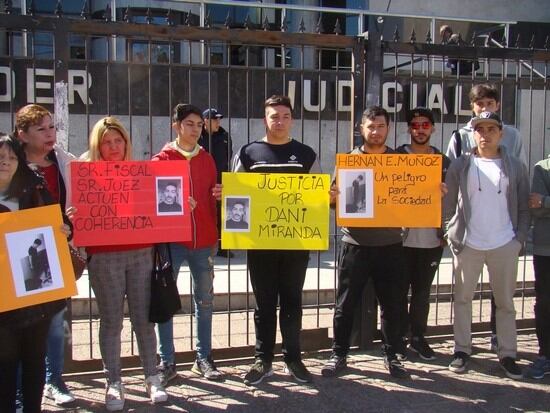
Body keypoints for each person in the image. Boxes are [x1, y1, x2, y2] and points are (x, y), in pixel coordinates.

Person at [232, 95, 320, 385]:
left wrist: (326, 199)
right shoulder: (248, 152)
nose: (279, 121)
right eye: (274, 116)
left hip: (296, 243)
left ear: (292, 119)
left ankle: (293, 358)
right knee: (265, 303)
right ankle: (263, 359)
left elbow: (316, 200)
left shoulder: (306, 154)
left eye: (284, 116)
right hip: (261, 245)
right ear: (265, 120)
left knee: (293, 301)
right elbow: (236, 198)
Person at [82, 117, 168, 410]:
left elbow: (161, 205)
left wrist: (181, 206)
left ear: (126, 143)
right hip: (105, 257)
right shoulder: (86, 174)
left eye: (119, 140)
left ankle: (151, 377)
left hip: (141, 252)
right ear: (98, 145)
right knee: (111, 321)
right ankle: (113, 382)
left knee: (144, 320)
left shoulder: (140, 172)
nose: (113, 146)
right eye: (107, 141)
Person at [321, 106, 409, 379]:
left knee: (392, 304)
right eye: (370, 126)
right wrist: (331, 196)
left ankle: (393, 355)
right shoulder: (348, 160)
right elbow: (335, 203)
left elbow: (411, 197)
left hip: (390, 244)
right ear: (361, 129)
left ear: (388, 128)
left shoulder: (400, 161)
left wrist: (432, 192)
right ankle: (339, 354)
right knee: (345, 304)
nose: (375, 131)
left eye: (380, 126)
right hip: (355, 242)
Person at [443, 111, 529, 380]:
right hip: (470, 242)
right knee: (462, 299)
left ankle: (508, 353)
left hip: (505, 242)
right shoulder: (461, 164)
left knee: (505, 302)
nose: (486, 134)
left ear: (501, 134)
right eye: (480, 129)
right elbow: (447, 202)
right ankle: (462, 350)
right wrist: (451, 231)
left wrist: (519, 239)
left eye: (492, 129)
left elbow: (524, 206)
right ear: (474, 133)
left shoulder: (515, 165)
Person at [0, 133, 70, 413]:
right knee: (5, 363)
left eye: (12, 157)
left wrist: (66, 230)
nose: (5, 162)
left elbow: (60, 222)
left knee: (33, 360)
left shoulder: (35, 188)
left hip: (35, 294)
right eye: (0, 157)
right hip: (3, 298)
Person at [153, 103, 222, 385]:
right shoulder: (161, 160)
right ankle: (167, 360)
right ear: (177, 126)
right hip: (172, 242)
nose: (195, 130)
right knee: (166, 302)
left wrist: (219, 194)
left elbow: (213, 197)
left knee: (205, 301)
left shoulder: (207, 159)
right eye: (190, 124)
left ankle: (203, 358)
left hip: (204, 240)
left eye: (199, 125)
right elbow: (154, 203)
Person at [14, 104, 76, 405]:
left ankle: (54, 380)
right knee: (18, 325)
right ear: (22, 134)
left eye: (51, 126)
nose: (50, 133)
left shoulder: (65, 162)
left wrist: (70, 224)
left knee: (55, 319)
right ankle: (16, 388)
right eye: (41, 129)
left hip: (57, 253)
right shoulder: (11, 164)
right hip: (17, 259)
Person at [396, 107, 451, 360]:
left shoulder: (443, 162)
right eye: (415, 125)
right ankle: (396, 340)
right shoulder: (395, 157)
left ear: (433, 128)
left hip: (432, 238)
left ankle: (418, 338)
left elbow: (454, 200)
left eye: (425, 125)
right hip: (400, 238)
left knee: (421, 292)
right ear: (409, 129)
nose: (420, 129)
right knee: (396, 292)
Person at [524, 157, 550, 379]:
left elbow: (543, 205)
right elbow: (536, 209)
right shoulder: (542, 167)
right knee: (545, 303)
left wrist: (547, 201)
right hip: (546, 248)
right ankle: (545, 354)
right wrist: (541, 204)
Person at [199, 108, 233, 258]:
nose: (218, 122)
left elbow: (228, 155)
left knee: (221, 213)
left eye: (219, 119)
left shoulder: (225, 136)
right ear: (205, 121)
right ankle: (202, 244)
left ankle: (223, 246)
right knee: (202, 210)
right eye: (214, 119)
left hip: (220, 179)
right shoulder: (198, 136)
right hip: (201, 180)